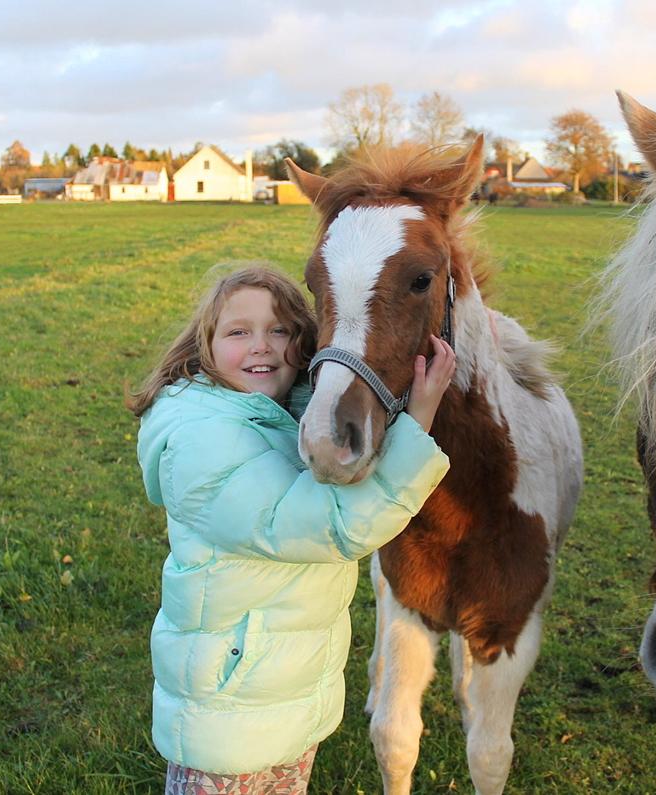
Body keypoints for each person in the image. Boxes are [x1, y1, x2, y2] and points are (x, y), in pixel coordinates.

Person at [127, 266, 455, 793]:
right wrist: (418, 421)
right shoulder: (200, 443)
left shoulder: (279, 415)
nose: (262, 346)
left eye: (279, 331)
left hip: (281, 703)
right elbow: (335, 526)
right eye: (238, 332)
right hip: (228, 722)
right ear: (203, 345)